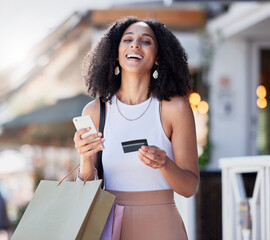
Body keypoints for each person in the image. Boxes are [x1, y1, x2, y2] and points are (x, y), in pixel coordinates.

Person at [74, 16, 199, 239]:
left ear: (158, 57)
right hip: (108, 224)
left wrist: (164, 163)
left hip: (162, 225)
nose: (135, 44)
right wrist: (84, 158)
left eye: (146, 41)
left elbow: (189, 187)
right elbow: (85, 189)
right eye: (127, 39)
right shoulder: (94, 111)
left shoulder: (175, 108)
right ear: (115, 53)